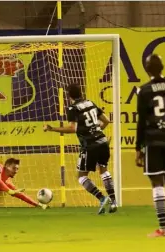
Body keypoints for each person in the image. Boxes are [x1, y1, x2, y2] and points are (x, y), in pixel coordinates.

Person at [43, 84, 116, 214]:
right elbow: (106, 121)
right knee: (104, 171)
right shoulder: (90, 103)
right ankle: (114, 202)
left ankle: (102, 198)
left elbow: (72, 128)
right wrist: (96, 133)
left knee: (81, 176)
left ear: (69, 95)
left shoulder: (73, 108)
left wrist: (52, 128)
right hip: (103, 141)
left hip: (89, 145)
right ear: (81, 93)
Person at [135, 54, 165, 237]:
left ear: (147, 70)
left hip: (153, 140)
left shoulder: (145, 91)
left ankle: (163, 229)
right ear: (163, 67)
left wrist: (138, 148)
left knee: (157, 182)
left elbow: (141, 121)